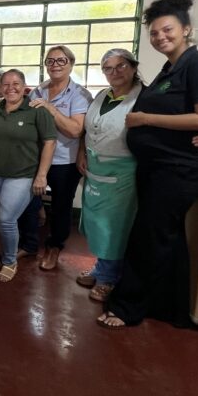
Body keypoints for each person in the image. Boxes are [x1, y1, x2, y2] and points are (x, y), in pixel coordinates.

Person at [99, 0, 198, 330]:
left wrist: (145, 120)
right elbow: (187, 115)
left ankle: (127, 307)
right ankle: (169, 306)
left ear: (186, 29)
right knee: (167, 237)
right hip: (158, 168)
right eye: (154, 33)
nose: (160, 37)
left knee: (147, 237)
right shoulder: (170, 69)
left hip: (178, 170)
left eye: (167, 29)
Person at [0, 70, 56, 282]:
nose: (10, 88)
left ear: (24, 86)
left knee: (5, 219)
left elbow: (50, 142)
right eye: (6, 84)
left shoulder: (37, 111)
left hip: (22, 175)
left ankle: (9, 261)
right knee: (6, 217)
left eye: (16, 83)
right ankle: (12, 250)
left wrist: (42, 175)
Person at [74, 49, 143, 302]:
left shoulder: (143, 98)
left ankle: (109, 278)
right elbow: (87, 130)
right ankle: (102, 267)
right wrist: (82, 152)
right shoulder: (103, 95)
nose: (114, 72)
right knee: (97, 223)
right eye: (108, 68)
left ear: (133, 67)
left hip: (122, 171)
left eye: (121, 66)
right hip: (95, 168)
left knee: (114, 226)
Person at [28, 46, 93, 271]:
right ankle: (29, 241)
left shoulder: (80, 94)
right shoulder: (37, 91)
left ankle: (54, 246)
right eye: (50, 61)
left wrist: (50, 108)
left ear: (71, 64)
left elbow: (75, 130)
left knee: (61, 206)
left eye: (61, 60)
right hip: (37, 158)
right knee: (29, 198)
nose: (55, 65)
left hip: (65, 160)